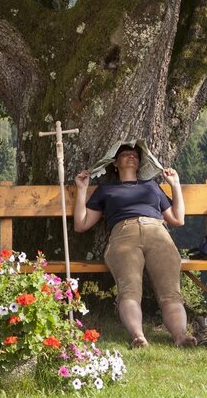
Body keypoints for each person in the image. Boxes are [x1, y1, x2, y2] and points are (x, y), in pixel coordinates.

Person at [73, 143, 196, 348]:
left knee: (170, 291)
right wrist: (82, 190)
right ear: (115, 163)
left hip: (157, 233)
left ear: (140, 163)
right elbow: (81, 224)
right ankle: (138, 336)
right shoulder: (106, 189)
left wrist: (175, 185)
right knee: (129, 290)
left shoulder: (151, 186)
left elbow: (177, 218)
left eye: (135, 155)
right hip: (124, 235)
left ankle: (181, 336)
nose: (131, 156)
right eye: (125, 154)